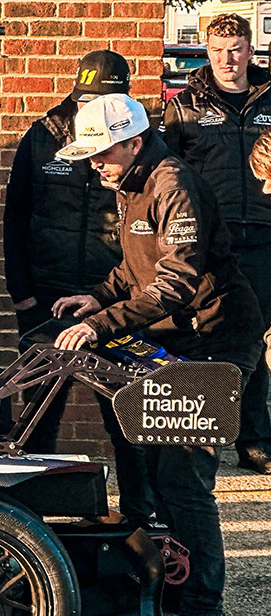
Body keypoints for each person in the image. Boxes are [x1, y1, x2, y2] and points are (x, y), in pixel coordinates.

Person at [52, 93, 262, 616]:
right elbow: (133, 268)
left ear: (134, 142)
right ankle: (172, 590)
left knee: (184, 477)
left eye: (103, 153)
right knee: (156, 471)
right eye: (89, 154)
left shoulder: (173, 183)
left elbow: (176, 282)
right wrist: (93, 300)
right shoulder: (132, 185)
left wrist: (101, 326)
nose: (94, 164)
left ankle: (205, 614)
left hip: (218, 338)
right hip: (183, 341)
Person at [4, 50, 149, 514]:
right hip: (49, 294)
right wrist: (22, 292)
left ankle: (138, 515)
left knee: (128, 418)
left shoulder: (137, 140)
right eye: (86, 98)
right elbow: (15, 215)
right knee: (38, 414)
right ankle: (27, 519)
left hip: (115, 297)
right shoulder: (43, 137)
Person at [161, 13, 271, 474]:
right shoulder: (185, 105)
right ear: (207, 52)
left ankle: (254, 439)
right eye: (219, 50)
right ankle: (204, 433)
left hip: (266, 235)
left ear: (250, 51)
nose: (228, 59)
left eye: (236, 49)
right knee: (212, 334)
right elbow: (169, 170)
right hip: (215, 241)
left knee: (256, 336)